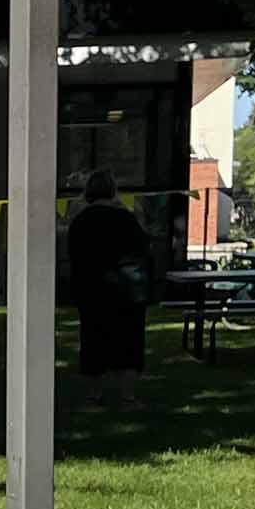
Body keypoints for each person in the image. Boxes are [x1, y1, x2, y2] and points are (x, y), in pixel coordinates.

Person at [66, 169, 155, 406]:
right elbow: (143, 248)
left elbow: (73, 254)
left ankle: (94, 393)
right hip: (128, 288)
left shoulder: (81, 221)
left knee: (93, 338)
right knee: (130, 341)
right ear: (113, 190)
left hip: (93, 289)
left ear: (88, 192)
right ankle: (128, 394)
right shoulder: (127, 218)